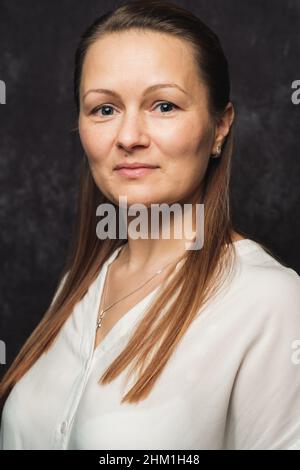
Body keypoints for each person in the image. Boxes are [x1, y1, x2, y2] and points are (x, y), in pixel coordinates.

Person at [1, 0, 300, 450]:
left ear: (220, 126)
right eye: (104, 109)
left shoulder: (271, 303)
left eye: (163, 105)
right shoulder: (76, 289)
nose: (128, 136)